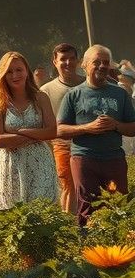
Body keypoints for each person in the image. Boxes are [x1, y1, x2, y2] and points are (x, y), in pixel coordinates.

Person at [56, 45, 135, 226]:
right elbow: (60, 130)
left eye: (105, 63)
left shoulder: (120, 93)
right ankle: (88, 249)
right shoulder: (73, 95)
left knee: (119, 206)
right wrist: (87, 128)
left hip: (114, 158)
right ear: (84, 65)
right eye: (96, 62)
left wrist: (116, 125)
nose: (101, 66)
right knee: (87, 208)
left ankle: (119, 248)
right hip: (84, 159)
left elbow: (133, 127)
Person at [0, 52, 57, 210]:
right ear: (2, 76)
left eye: (19, 70)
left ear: (27, 70)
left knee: (43, 212)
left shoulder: (41, 98)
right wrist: (35, 134)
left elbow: (52, 131)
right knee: (13, 215)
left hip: (40, 162)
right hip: (11, 165)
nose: (15, 75)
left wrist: (21, 131)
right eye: (9, 72)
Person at [40, 43, 83, 215]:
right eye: (63, 59)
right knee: (69, 187)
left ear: (78, 61)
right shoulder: (46, 91)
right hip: (61, 146)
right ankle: (70, 228)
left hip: (90, 143)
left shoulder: (88, 84)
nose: (67, 63)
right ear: (54, 62)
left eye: (71, 59)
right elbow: (42, 124)